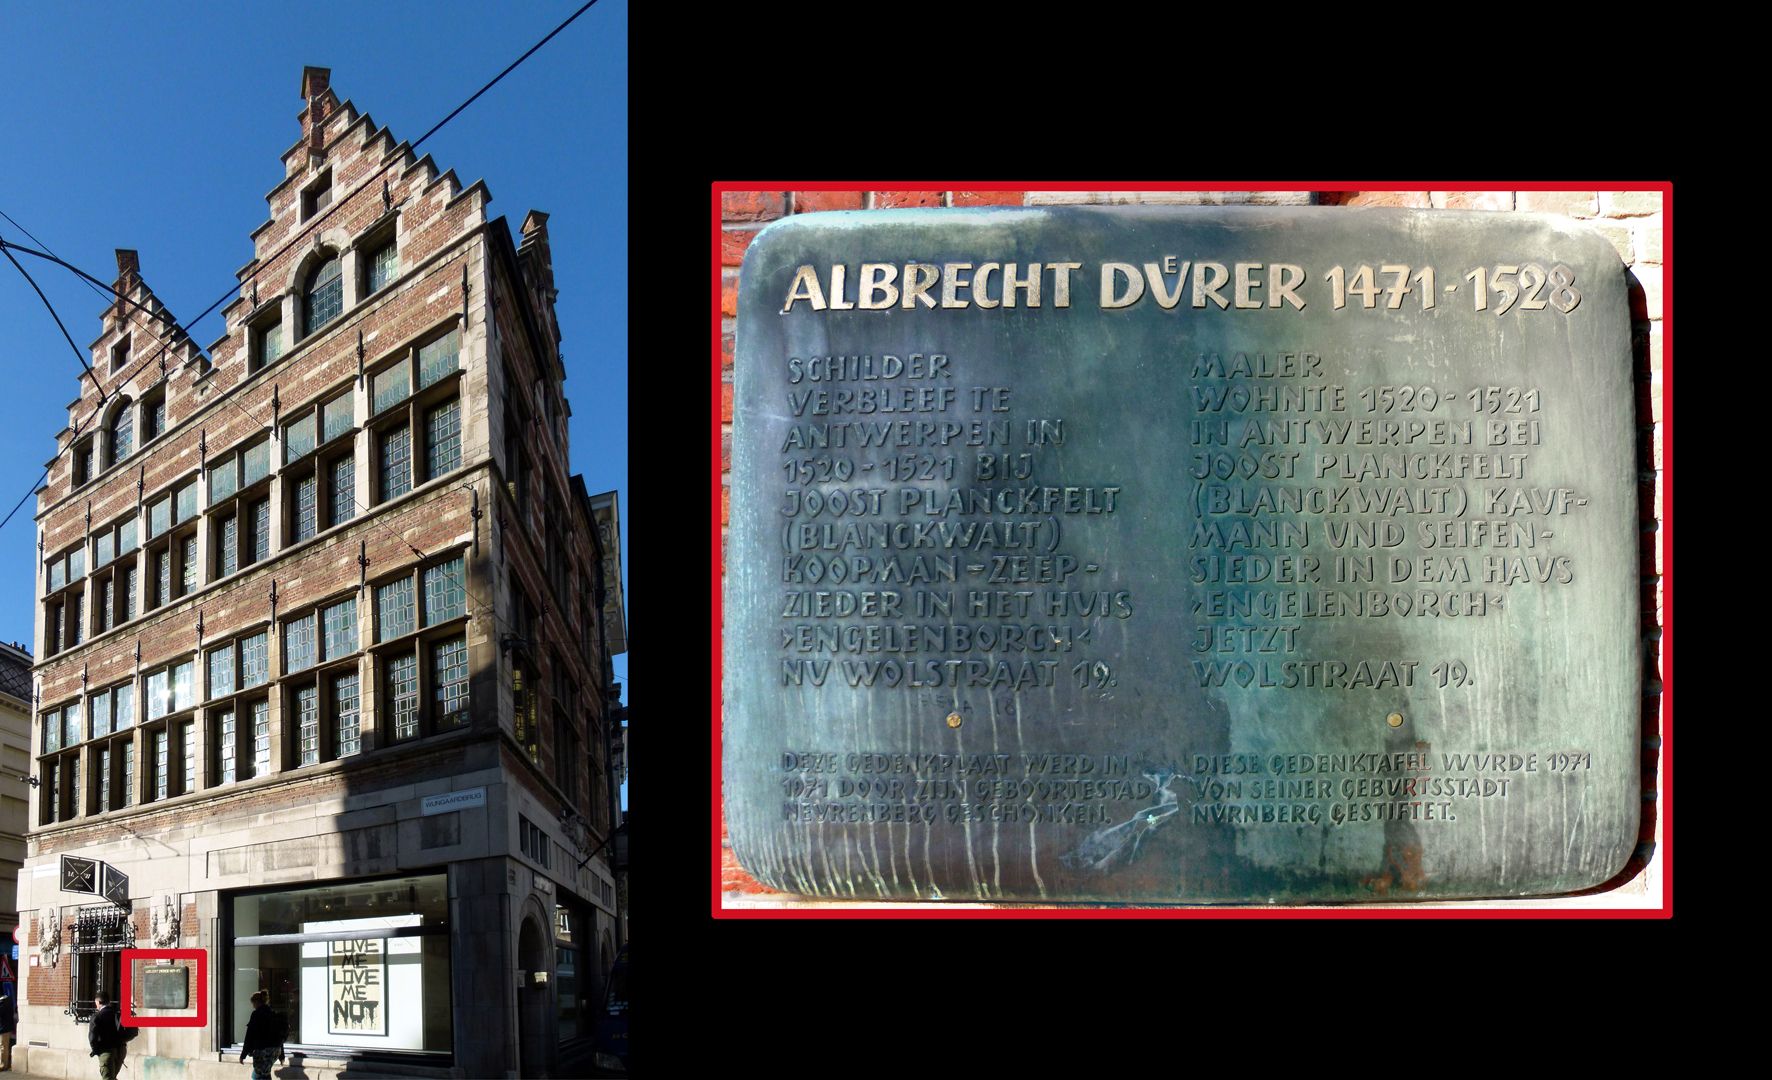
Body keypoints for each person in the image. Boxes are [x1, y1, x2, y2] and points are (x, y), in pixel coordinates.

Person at [88, 991, 136, 1080]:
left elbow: (92, 1037)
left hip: (106, 1052)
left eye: (96, 1004)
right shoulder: (118, 1013)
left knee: (108, 1078)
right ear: (108, 1002)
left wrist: (96, 1051)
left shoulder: (97, 1016)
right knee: (112, 1077)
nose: (96, 1006)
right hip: (121, 1050)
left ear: (98, 1002)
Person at [240, 990, 286, 1080]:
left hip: (262, 1051)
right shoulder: (273, 1014)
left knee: (258, 1075)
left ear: (256, 1002)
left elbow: (249, 1036)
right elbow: (280, 1036)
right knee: (264, 1073)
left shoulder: (256, 1014)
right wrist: (281, 1056)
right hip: (275, 1050)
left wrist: (243, 1055)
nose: (253, 1006)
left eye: (253, 1003)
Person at [0, 990, 16, 1072]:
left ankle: (3, 1065)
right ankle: (3, 1063)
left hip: (4, 1029)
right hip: (4, 1028)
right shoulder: (7, 1002)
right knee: (3, 1047)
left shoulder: (3, 1003)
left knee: (3, 1047)